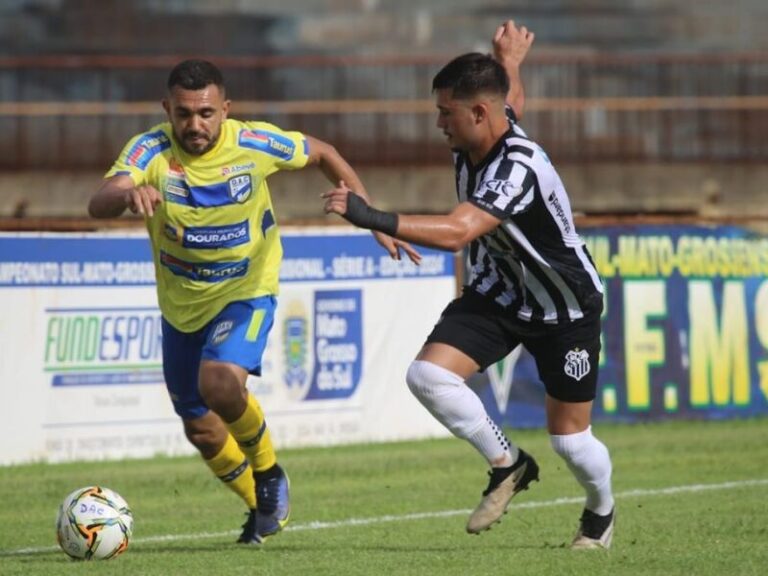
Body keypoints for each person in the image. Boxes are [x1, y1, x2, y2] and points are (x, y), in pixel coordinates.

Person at [88, 59, 418, 544]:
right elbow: (101, 198)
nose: (195, 125)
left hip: (247, 288)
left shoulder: (254, 143)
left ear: (225, 109)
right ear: (167, 110)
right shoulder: (149, 150)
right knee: (200, 429)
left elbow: (323, 152)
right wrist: (127, 192)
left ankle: (268, 474)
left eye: (205, 113)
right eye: (183, 114)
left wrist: (368, 216)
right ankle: (258, 509)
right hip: (181, 307)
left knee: (220, 382)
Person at [322, 20, 615, 549]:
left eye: (445, 112)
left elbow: (459, 232)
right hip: (499, 293)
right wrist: (511, 65)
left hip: (563, 306)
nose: (439, 123)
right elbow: (510, 101)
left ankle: (600, 512)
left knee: (570, 443)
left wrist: (373, 217)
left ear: (477, 113)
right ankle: (508, 464)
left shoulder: (518, 166)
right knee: (427, 377)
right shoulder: (480, 136)